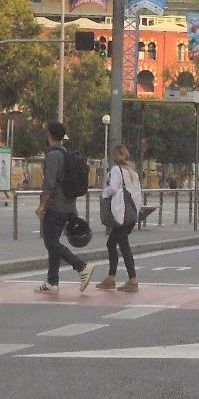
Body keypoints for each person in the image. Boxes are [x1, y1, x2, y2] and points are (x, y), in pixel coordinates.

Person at [36, 121, 92, 294]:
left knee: (50, 242)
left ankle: (81, 266)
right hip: (69, 205)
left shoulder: (53, 155)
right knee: (53, 242)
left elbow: (49, 183)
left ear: (49, 135)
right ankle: (52, 281)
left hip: (56, 206)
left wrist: (42, 206)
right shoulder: (67, 153)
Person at [97, 144, 142, 293]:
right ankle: (112, 277)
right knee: (115, 243)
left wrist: (104, 193)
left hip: (120, 214)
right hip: (130, 215)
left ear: (115, 156)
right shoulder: (132, 172)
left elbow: (113, 188)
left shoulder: (117, 170)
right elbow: (137, 194)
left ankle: (131, 279)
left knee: (120, 245)